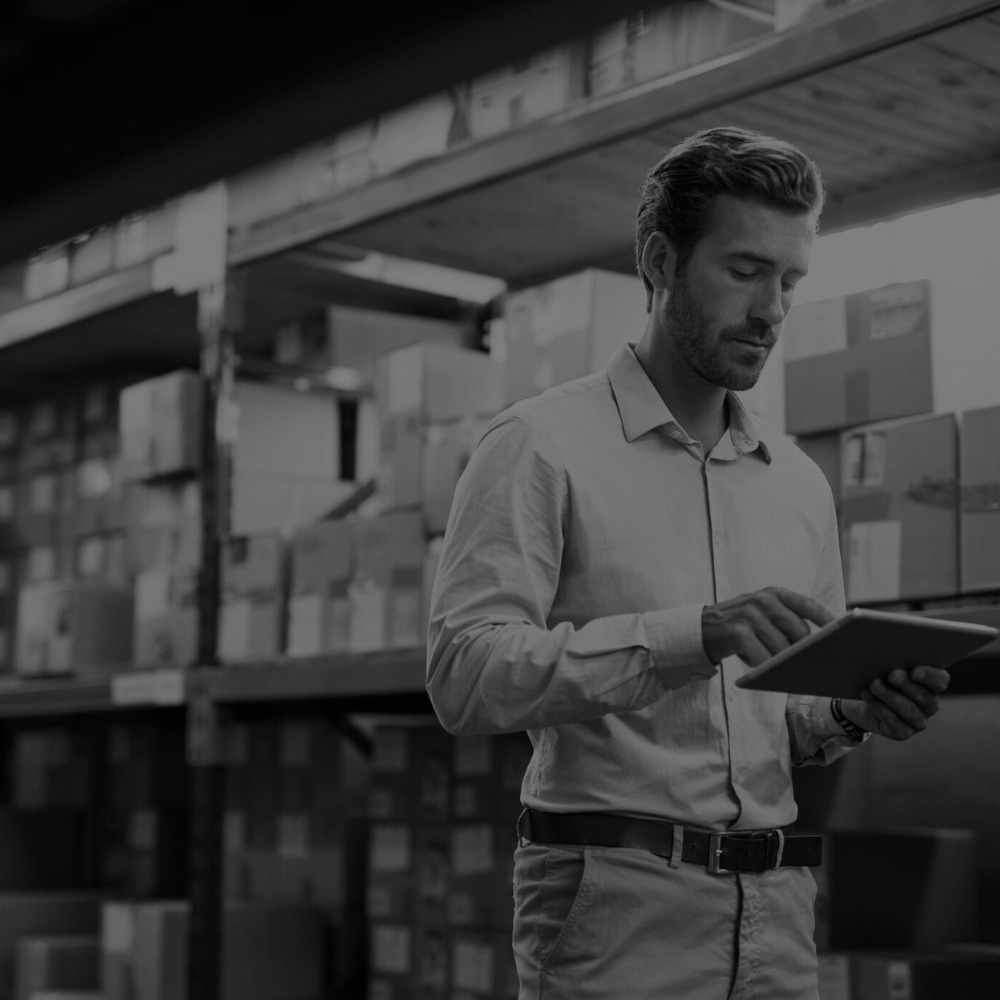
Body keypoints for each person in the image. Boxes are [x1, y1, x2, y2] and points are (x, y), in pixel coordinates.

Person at [425, 126, 949, 1000]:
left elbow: (786, 719)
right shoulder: (541, 445)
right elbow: (463, 675)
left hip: (777, 911)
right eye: (745, 271)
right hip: (613, 907)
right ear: (661, 260)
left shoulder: (798, 485)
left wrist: (852, 710)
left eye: (790, 280)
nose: (773, 308)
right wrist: (694, 635)